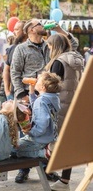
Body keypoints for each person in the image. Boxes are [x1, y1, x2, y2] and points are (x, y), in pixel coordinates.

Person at [10, 19, 78, 183]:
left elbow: (73, 45)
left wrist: (60, 29)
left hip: (48, 95)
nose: (42, 25)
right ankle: (24, 169)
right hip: (30, 94)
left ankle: (47, 169)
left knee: (47, 132)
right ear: (30, 30)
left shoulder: (51, 44)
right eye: (37, 24)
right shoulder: (21, 48)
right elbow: (15, 72)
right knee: (28, 132)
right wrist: (22, 94)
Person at [45, 34, 84, 191]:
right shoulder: (76, 60)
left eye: (49, 46)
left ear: (55, 46)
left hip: (60, 106)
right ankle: (64, 180)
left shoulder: (58, 62)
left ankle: (57, 174)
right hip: (73, 105)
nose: (48, 49)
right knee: (67, 144)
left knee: (53, 142)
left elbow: (53, 86)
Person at [13, 72, 61, 159]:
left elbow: (42, 125)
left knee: (13, 149)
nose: (36, 80)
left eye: (38, 80)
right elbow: (37, 105)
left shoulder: (41, 102)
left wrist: (30, 132)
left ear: (43, 87)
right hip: (50, 137)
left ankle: (43, 153)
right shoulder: (53, 98)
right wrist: (31, 92)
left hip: (39, 140)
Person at [3, 21, 27, 100]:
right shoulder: (13, 49)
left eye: (17, 29)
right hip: (15, 94)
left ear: (24, 31)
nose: (13, 32)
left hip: (30, 92)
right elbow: (6, 70)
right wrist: (7, 91)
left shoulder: (34, 48)